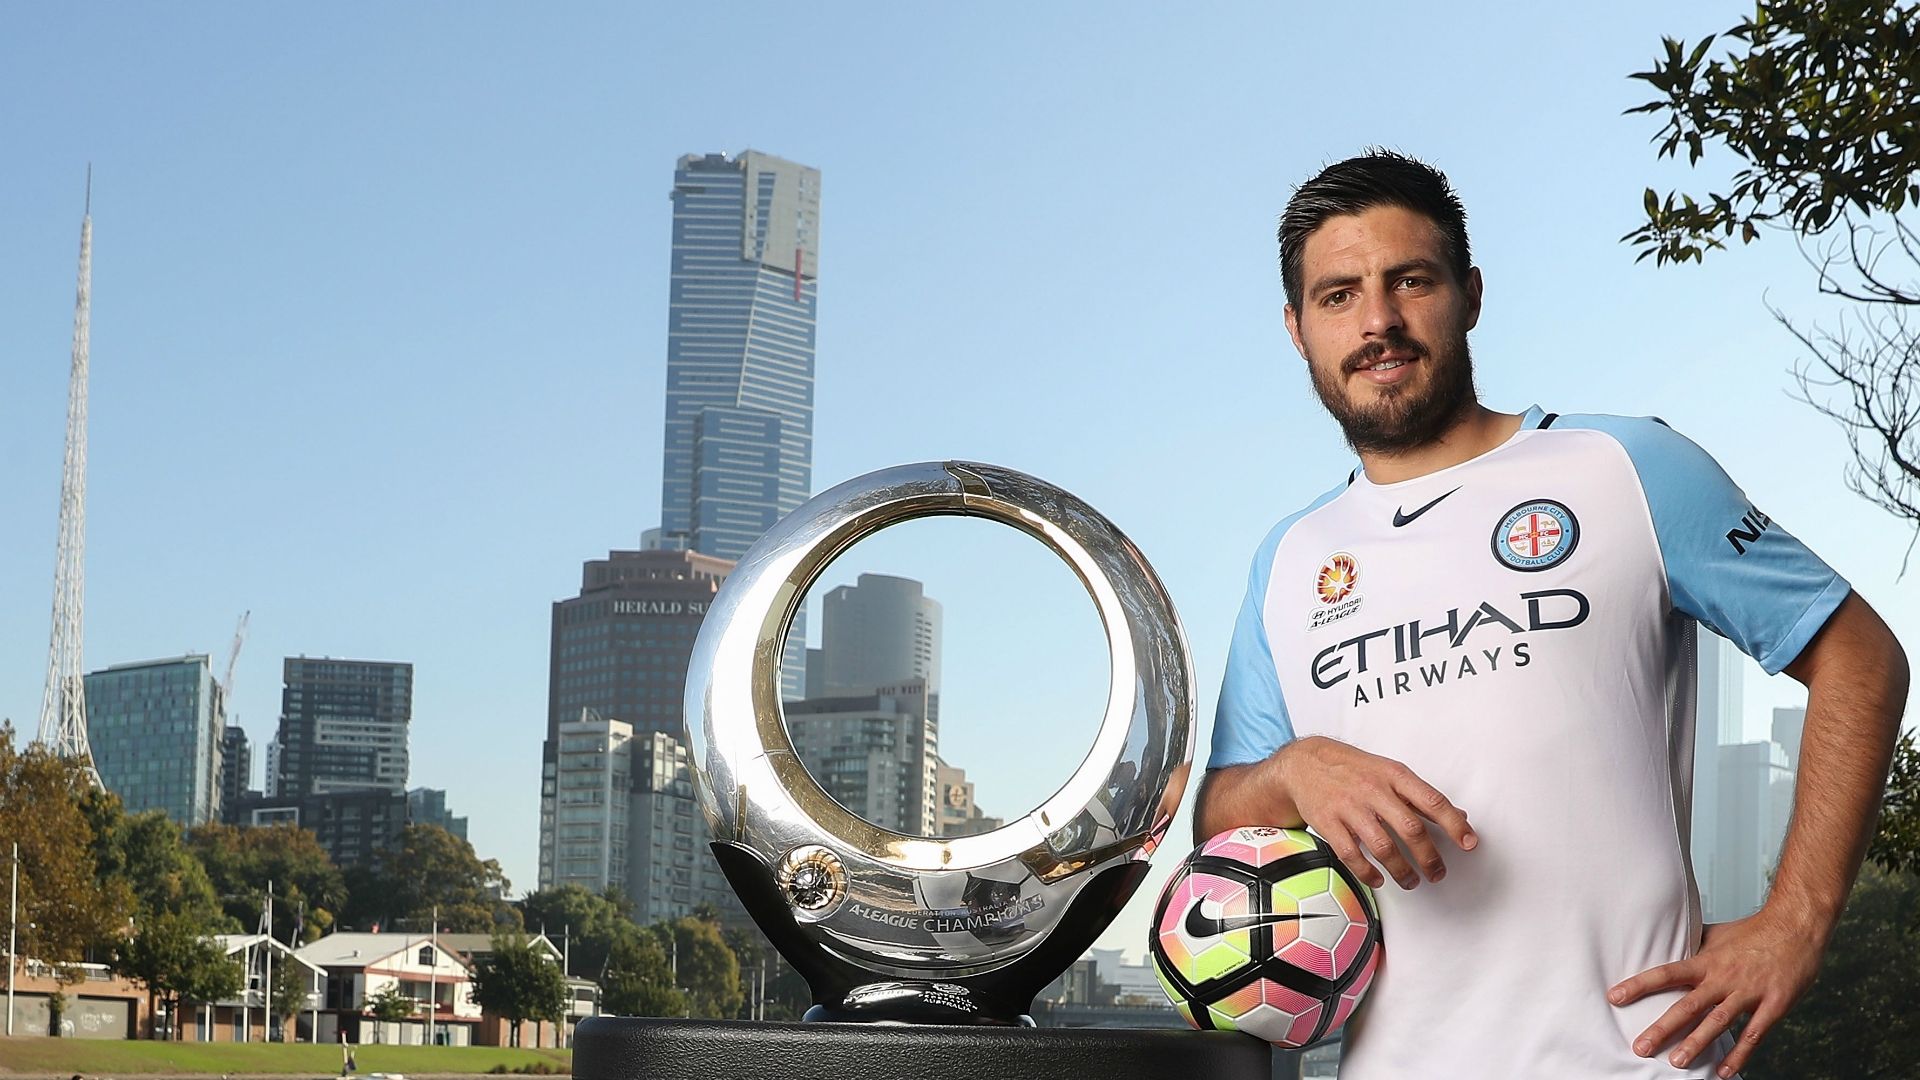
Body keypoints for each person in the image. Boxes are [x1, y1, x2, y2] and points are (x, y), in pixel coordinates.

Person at [1193, 150, 1907, 1079]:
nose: (1379, 321)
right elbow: (1221, 820)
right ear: (1297, 329)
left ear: (1470, 293)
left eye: (1411, 280)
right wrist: (1296, 771)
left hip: (1636, 1059)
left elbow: (1860, 655)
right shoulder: (1288, 560)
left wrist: (1795, 924)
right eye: (1339, 295)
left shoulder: (1624, 466)